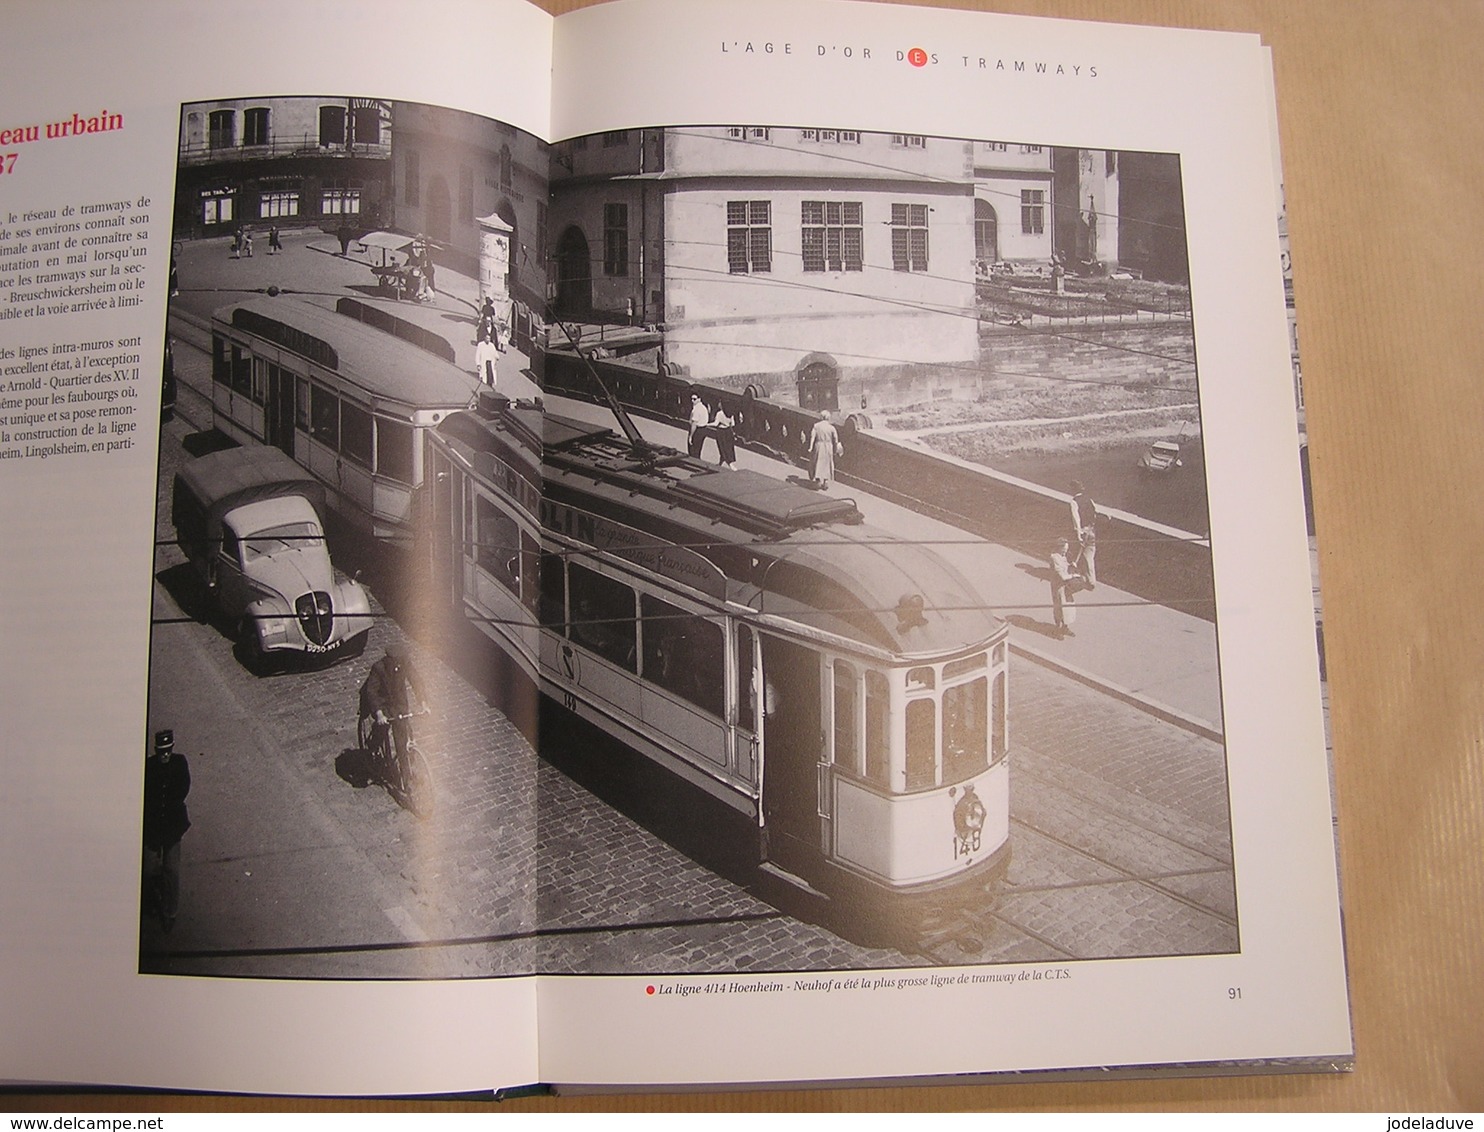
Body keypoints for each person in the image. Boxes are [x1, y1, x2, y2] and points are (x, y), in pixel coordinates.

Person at [142, 729, 191, 932]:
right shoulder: (149, 766)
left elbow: (183, 788)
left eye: (168, 751)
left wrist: (168, 806)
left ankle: (170, 912)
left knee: (171, 869)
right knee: (148, 868)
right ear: (156, 750)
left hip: (172, 825)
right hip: (153, 826)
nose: (165, 755)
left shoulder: (179, 763)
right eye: (161, 752)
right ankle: (150, 902)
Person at [359, 648, 427, 767]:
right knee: (382, 727)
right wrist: (379, 713)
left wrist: (423, 703)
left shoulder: (404, 663)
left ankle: (405, 771)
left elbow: (416, 681)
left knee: (402, 733)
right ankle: (373, 747)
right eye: (396, 662)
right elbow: (371, 692)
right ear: (389, 660)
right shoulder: (378, 668)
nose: (398, 665)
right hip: (381, 702)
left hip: (398, 702)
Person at [1049, 537, 1082, 639]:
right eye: (1065, 549)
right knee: (1059, 608)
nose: (1066, 550)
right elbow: (1062, 575)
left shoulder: (1063, 556)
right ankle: (1058, 629)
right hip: (1058, 587)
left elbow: (1066, 567)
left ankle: (1065, 627)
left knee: (1068, 607)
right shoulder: (1054, 557)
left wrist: (1071, 565)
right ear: (1060, 548)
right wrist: (1073, 576)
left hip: (1066, 587)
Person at [1069, 479, 1098, 588]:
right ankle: (1091, 580)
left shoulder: (1074, 501)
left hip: (1083, 531)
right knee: (1089, 556)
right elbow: (1095, 513)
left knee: (1078, 555)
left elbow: (1076, 519)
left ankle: (1077, 578)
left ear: (1073, 489)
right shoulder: (1089, 499)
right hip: (1092, 530)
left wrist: (1078, 533)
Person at [809, 409, 843, 488]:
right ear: (828, 417)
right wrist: (835, 449)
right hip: (828, 446)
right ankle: (825, 481)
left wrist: (810, 447)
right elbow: (835, 439)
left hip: (819, 444)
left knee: (818, 461)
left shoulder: (816, 426)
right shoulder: (831, 428)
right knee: (827, 462)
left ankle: (818, 480)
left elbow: (812, 437)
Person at [710, 404, 736, 468]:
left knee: (722, 447)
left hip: (721, 432)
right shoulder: (730, 413)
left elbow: (716, 423)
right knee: (728, 447)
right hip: (728, 431)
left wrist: (707, 424)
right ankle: (720, 462)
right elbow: (732, 424)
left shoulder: (719, 413)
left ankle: (730, 465)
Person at [687, 393, 711, 458]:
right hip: (703, 430)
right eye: (691, 399)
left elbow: (694, 424)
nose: (692, 401)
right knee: (698, 450)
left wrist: (691, 436)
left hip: (698, 430)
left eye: (694, 399)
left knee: (693, 450)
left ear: (699, 399)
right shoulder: (703, 407)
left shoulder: (697, 409)